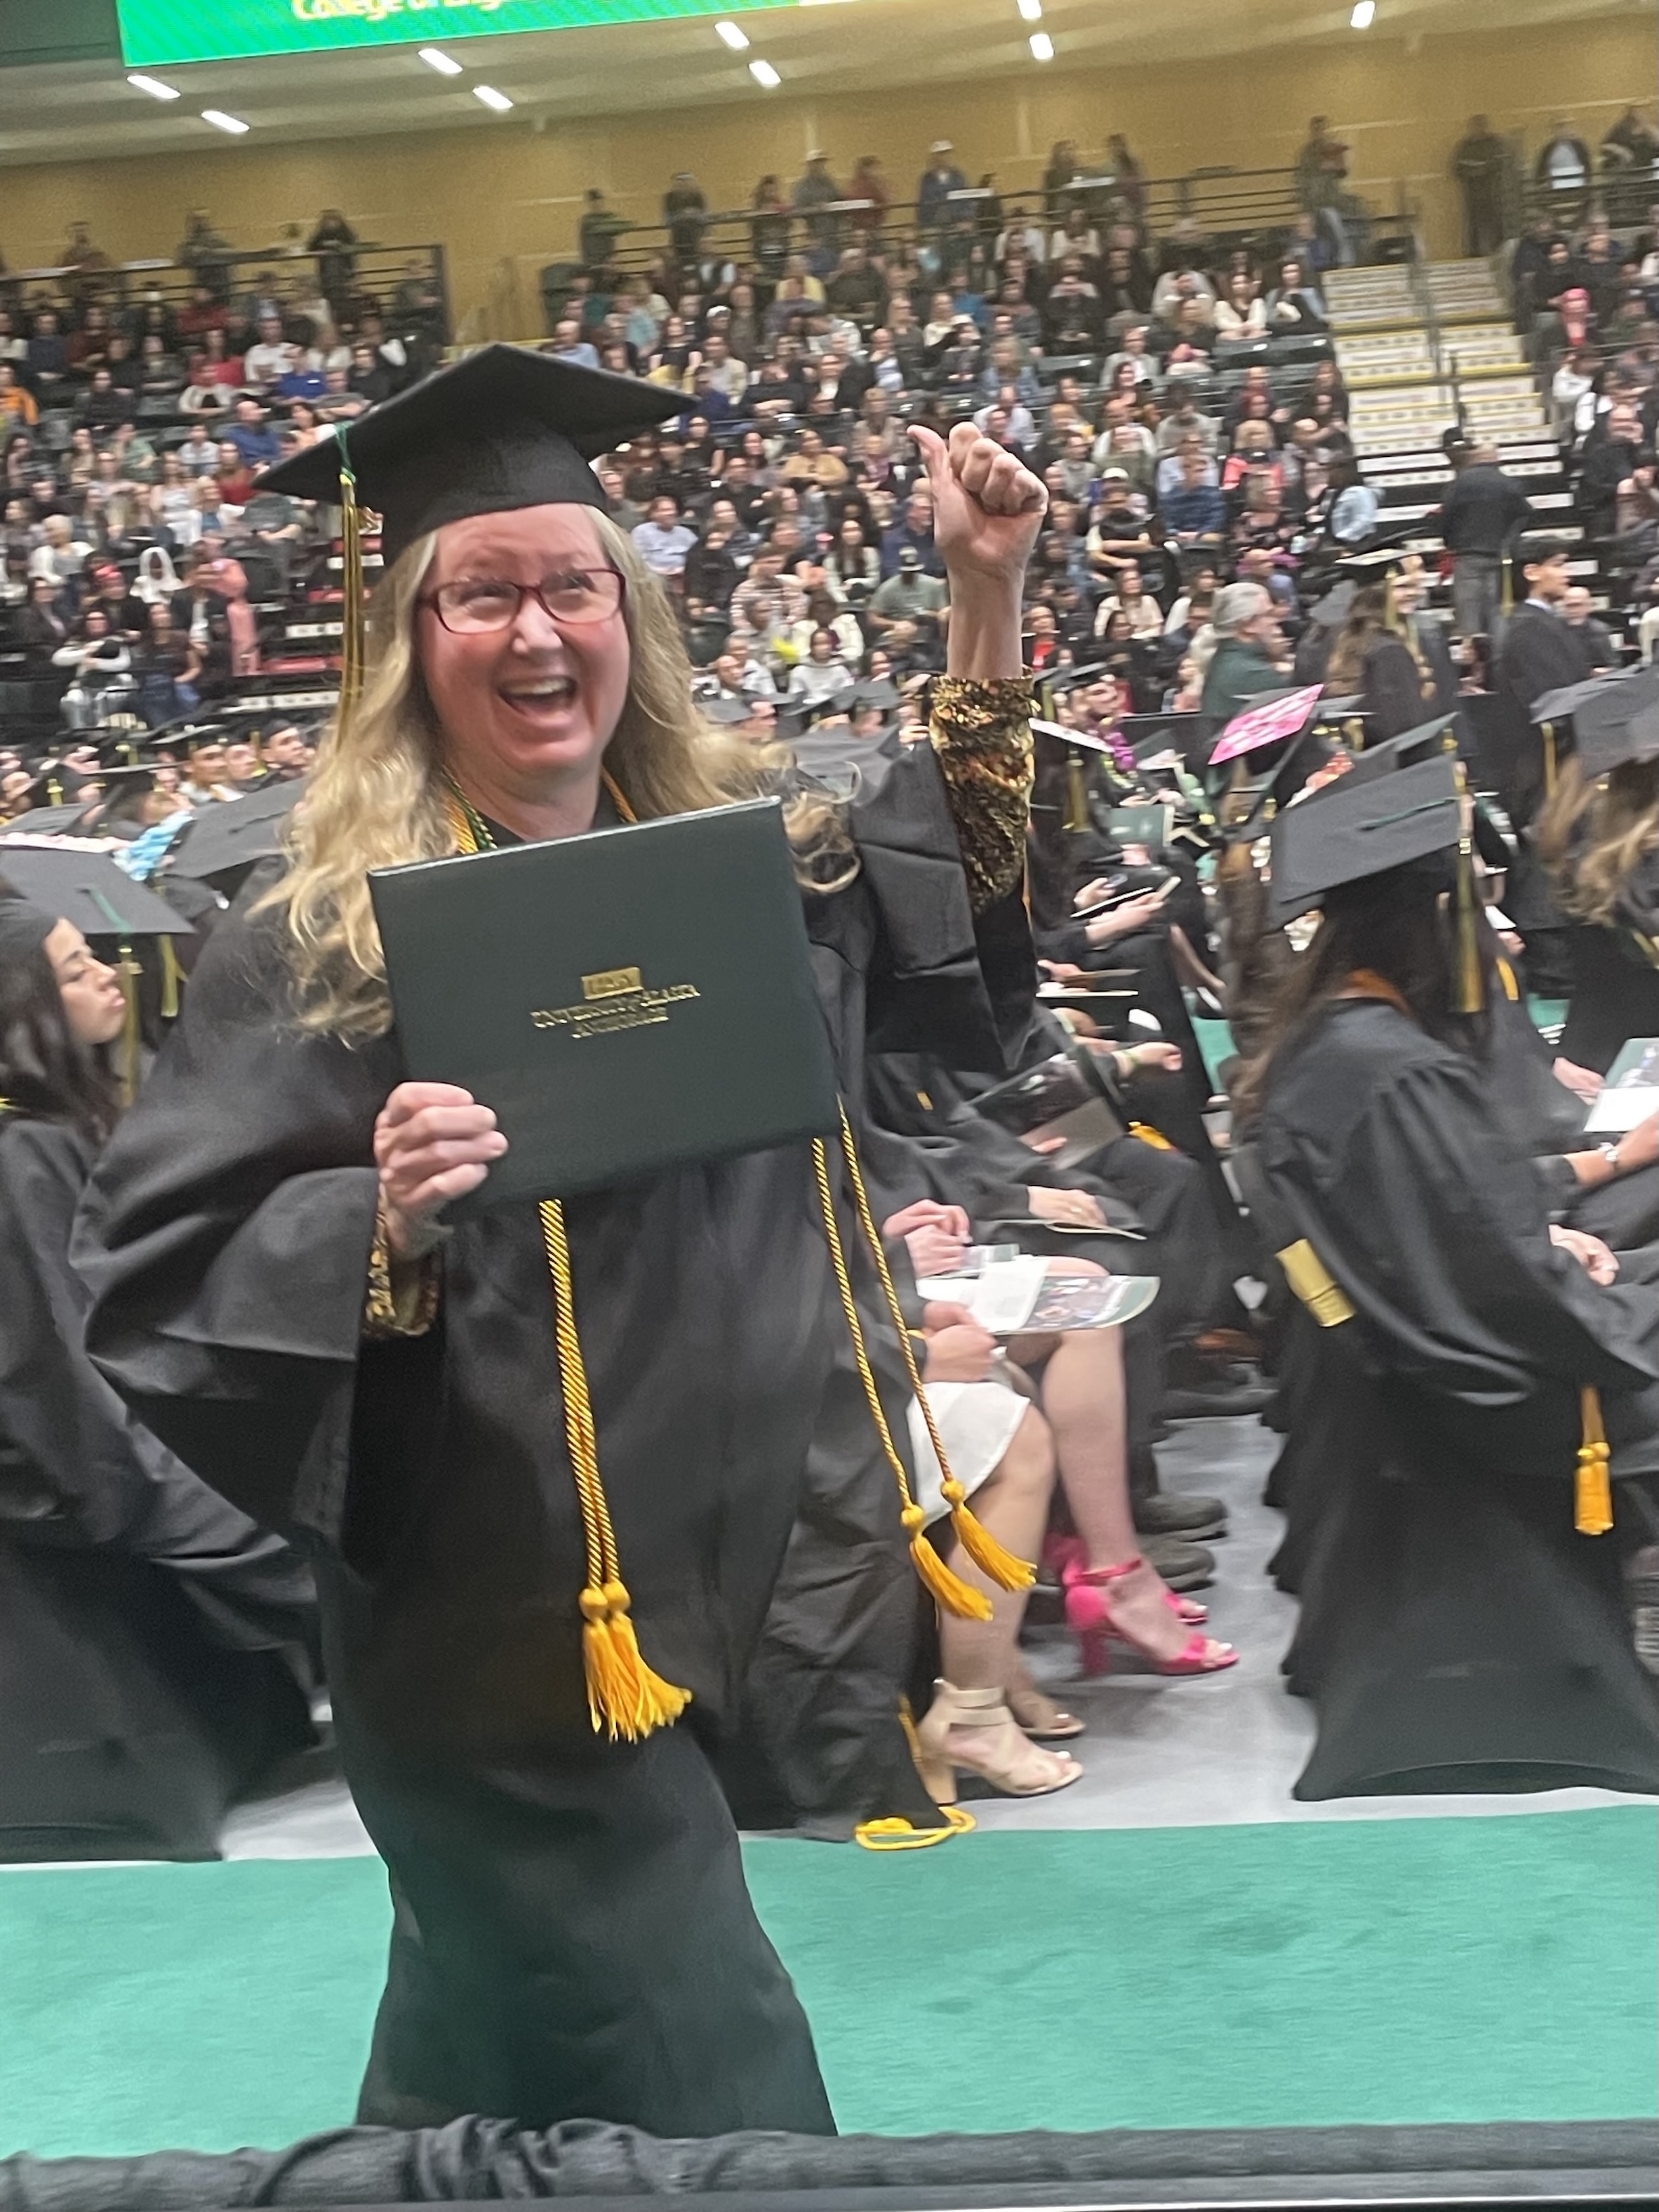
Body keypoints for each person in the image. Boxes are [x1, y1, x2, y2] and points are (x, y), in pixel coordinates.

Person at [74, 347, 1048, 2140]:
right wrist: (373, 1216)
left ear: (631, 613)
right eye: (482, 593)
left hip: (717, 1575)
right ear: (408, 637)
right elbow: (154, 1273)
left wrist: (982, 599)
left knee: (492, 2041)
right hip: (492, 1628)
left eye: (571, 584)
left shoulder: (718, 873)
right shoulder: (309, 942)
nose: (535, 633)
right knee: (701, 2066)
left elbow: (946, 922)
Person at [1242, 759, 1659, 1799]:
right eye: (1476, 911)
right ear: (1432, 925)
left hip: (1424, 1348)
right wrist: (1559, 1264)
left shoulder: (1331, 1040)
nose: (1498, 935)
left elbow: (1449, 1230)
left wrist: (1549, 1242)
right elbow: (1489, 1274)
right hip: (1497, 1379)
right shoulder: (1392, 1070)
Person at [0, 886, 318, 1860]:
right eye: (72, 967)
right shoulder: (22, 1156)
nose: (106, 971)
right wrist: (271, 1548)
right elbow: (74, 1416)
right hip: (77, 1597)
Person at [1437, 444, 1533, 643]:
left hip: (1468, 554)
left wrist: (1450, 542)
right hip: (1500, 555)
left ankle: (1472, 654)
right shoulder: (1509, 484)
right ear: (1496, 458)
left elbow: (1446, 517)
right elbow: (1526, 514)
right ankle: (1498, 651)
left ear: (1474, 459)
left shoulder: (1459, 484)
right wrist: (1510, 540)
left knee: (1468, 609)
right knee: (1497, 609)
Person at [1452, 115, 1509, 258]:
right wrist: (1475, 172)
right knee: (1473, 223)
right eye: (1476, 126)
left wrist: (1484, 169)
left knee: (1497, 219)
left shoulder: (1494, 143)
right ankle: (1474, 252)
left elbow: (1501, 163)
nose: (1479, 129)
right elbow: (1458, 168)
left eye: (1481, 126)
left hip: (1493, 190)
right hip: (1473, 191)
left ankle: (1499, 249)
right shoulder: (1465, 146)